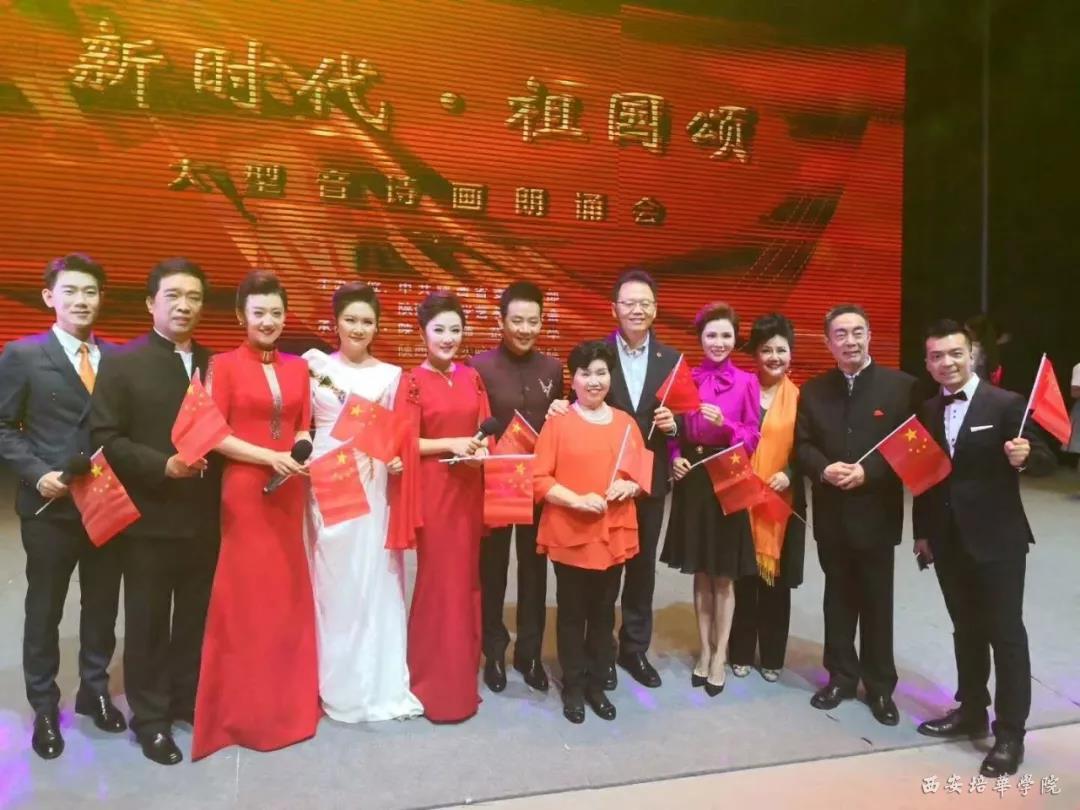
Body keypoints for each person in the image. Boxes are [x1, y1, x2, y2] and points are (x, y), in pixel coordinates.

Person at [90, 258, 221, 765]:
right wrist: (161, 466)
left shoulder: (215, 363)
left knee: (193, 616)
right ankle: (150, 719)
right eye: (173, 296)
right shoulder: (123, 362)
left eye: (194, 297)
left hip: (205, 517)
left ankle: (186, 699)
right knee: (146, 621)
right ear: (151, 303)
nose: (184, 305)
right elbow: (106, 437)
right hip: (148, 516)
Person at [0, 254, 125, 760]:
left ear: (101, 299)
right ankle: (45, 706)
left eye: (90, 291)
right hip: (50, 505)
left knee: (102, 602)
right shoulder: (23, 355)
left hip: (107, 503)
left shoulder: (117, 358)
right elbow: (3, 426)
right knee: (45, 608)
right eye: (70, 291)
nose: (81, 300)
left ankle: (94, 689)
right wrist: (37, 472)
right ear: (49, 297)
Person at [191, 271, 319, 759]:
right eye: (259, 312)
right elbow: (213, 434)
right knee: (248, 599)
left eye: (276, 312)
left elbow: (303, 423)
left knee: (285, 596)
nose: (268, 321)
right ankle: (244, 710)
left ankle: (286, 704)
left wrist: (300, 447)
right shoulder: (222, 366)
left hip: (290, 491)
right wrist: (270, 457)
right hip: (245, 492)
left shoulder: (298, 368)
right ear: (241, 316)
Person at [913, 319, 1048, 778]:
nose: (946, 362)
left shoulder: (1006, 403)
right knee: (965, 629)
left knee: (1006, 635)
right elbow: (924, 477)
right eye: (936, 356)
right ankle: (971, 709)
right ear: (927, 363)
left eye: (955, 353)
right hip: (947, 540)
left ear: (971, 355)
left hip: (997, 540)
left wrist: (1026, 457)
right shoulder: (928, 409)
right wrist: (923, 532)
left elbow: (1045, 454)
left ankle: (1010, 734)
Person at [548, 269, 680, 689]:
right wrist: (556, 406)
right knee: (600, 569)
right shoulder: (598, 356)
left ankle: (634, 649)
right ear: (614, 309)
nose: (637, 309)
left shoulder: (673, 361)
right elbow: (578, 401)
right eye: (629, 303)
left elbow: (686, 417)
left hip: (647, 479)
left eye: (645, 303)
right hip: (601, 484)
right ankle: (599, 652)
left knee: (641, 569)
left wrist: (676, 424)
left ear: (655, 309)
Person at [303, 282, 423, 722]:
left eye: (367, 321)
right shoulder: (313, 366)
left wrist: (395, 457)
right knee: (332, 579)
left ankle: (375, 681)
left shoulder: (391, 376)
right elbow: (300, 423)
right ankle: (332, 680)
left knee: (372, 578)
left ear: (377, 327)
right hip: (326, 478)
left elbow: (397, 434)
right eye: (350, 319)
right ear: (335, 323)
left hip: (372, 483)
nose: (358, 328)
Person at [794, 303, 917, 727]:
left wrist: (869, 471)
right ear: (828, 343)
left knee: (877, 603)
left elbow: (912, 445)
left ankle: (880, 687)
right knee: (838, 599)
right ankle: (841, 677)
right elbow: (802, 446)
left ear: (869, 336)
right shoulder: (813, 391)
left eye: (858, 332)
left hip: (877, 515)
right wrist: (822, 469)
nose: (850, 341)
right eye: (841, 334)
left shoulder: (902, 387)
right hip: (832, 515)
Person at [395, 292, 492, 723]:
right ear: (423, 333)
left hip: (469, 487)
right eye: (439, 330)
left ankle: (461, 677)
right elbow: (404, 442)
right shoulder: (411, 381)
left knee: (467, 579)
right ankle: (432, 683)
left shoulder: (472, 377)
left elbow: (485, 430)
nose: (448, 338)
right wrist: (451, 443)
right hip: (435, 491)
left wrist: (480, 450)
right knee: (439, 581)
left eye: (455, 329)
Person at [533, 340, 642, 723]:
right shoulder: (558, 423)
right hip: (570, 532)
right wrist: (576, 500)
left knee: (603, 613)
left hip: (613, 533)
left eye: (601, 373)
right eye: (585, 373)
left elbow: (639, 475)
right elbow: (539, 479)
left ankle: (597, 684)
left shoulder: (626, 424)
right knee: (571, 613)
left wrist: (630, 486)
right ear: (573, 379)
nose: (594, 381)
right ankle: (574, 687)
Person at [662, 303, 760, 696]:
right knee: (701, 572)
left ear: (736, 339)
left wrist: (727, 424)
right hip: (694, 479)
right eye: (711, 335)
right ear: (700, 338)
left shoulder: (747, 382)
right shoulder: (685, 378)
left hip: (728, 475)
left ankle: (721, 654)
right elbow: (672, 429)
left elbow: (753, 436)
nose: (718, 342)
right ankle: (704, 650)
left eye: (725, 335)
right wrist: (675, 457)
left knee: (724, 574)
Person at [471, 281, 563, 694]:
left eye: (533, 321)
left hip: (538, 484)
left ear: (542, 322)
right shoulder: (479, 366)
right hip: (495, 483)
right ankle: (493, 652)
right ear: (501, 321)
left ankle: (529, 654)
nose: (525, 329)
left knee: (534, 570)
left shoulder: (553, 369)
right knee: (492, 570)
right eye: (517, 320)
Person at [728, 314, 806, 683]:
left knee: (776, 585)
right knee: (742, 580)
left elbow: (808, 447)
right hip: (741, 498)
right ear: (755, 355)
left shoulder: (802, 399)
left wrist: (789, 472)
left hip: (781, 500)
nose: (774, 357)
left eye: (781, 350)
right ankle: (740, 651)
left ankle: (773, 656)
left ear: (791, 354)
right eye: (766, 350)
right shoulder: (741, 390)